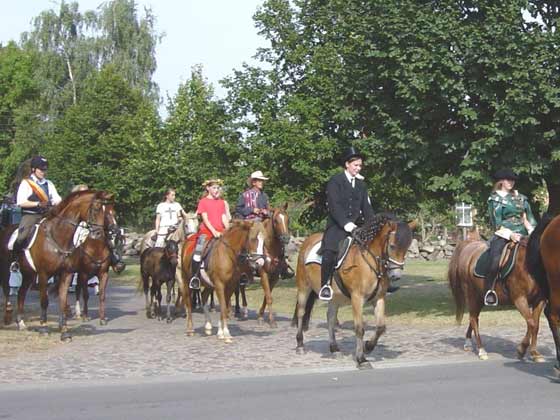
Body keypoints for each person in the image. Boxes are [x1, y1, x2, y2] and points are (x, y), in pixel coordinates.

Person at [318, 146, 375, 301]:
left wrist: (374, 225)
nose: (358, 168)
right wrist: (346, 224)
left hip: (358, 226)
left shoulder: (361, 185)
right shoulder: (335, 181)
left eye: (360, 165)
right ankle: (325, 285)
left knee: (377, 248)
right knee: (329, 251)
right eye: (356, 165)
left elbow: (367, 208)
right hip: (337, 225)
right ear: (347, 164)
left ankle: (382, 283)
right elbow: (334, 206)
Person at [484, 168, 537, 305]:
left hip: (523, 234)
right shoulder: (495, 199)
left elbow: (527, 219)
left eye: (512, 180)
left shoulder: (521, 198)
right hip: (503, 234)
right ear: (501, 181)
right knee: (494, 261)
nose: (510, 183)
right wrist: (511, 234)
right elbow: (497, 224)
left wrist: (533, 232)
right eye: (508, 180)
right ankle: (490, 290)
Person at [11, 156, 62, 271]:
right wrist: (38, 204)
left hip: (47, 215)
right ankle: (15, 260)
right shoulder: (27, 183)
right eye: (41, 169)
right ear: (34, 169)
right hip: (31, 215)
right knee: (22, 236)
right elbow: (21, 202)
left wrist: (53, 202)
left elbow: (58, 199)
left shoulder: (49, 184)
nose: (43, 172)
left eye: (45, 170)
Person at [189, 179, 230, 289]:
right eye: (214, 188)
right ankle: (195, 277)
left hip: (221, 232)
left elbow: (223, 217)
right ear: (208, 189)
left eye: (218, 188)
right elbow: (205, 219)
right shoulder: (203, 201)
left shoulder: (221, 202)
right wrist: (214, 231)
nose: (216, 190)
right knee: (197, 253)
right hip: (206, 232)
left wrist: (229, 229)